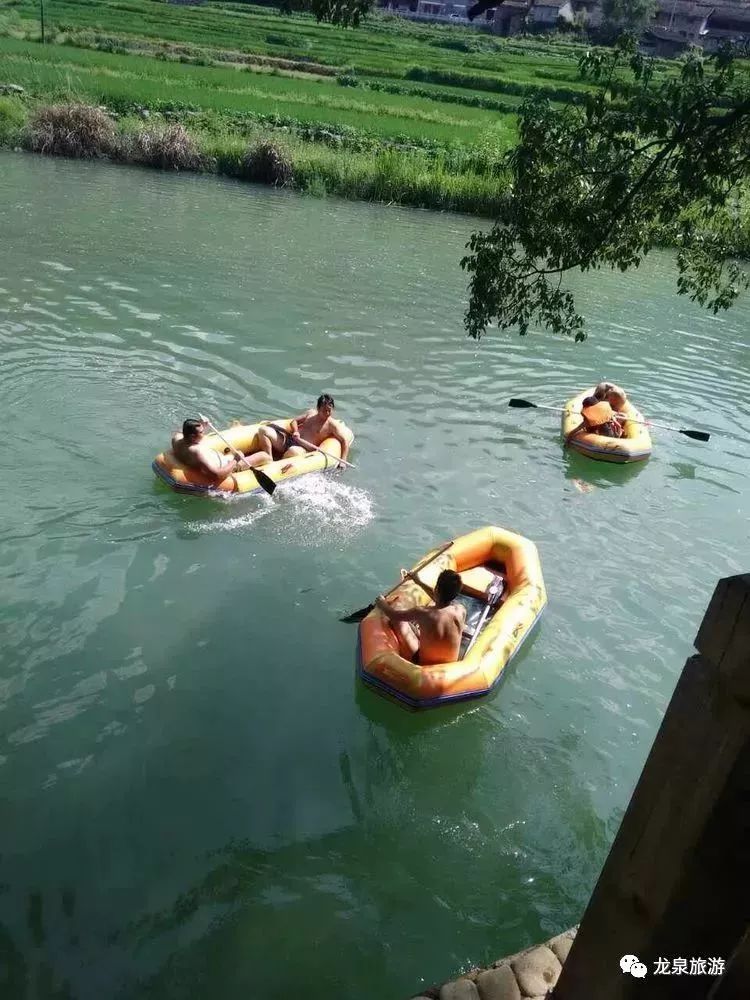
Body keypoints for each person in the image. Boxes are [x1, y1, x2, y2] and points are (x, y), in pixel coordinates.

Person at [375, 569, 466, 667]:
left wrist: (382, 604)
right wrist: (418, 582)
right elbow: (440, 599)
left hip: (424, 665)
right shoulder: (461, 611)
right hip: (450, 665)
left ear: (437, 589)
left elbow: (393, 615)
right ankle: (419, 634)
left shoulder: (423, 612)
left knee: (398, 620)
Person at [251, 393, 350, 470]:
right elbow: (294, 421)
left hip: (302, 449)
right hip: (290, 440)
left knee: (293, 451)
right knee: (263, 430)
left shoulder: (331, 425)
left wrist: (343, 461)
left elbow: (344, 441)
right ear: (318, 408)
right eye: (324, 410)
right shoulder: (310, 413)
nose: (327, 413)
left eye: (330, 410)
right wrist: (296, 431)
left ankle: (275, 467)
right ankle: (268, 457)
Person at [171, 419, 246, 481]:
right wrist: (235, 460)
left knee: (231, 455)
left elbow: (182, 430)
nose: (204, 433)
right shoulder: (196, 452)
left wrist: (200, 424)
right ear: (192, 436)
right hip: (224, 465)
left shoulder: (176, 438)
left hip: (218, 458)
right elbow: (216, 475)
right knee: (246, 459)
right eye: (201, 432)